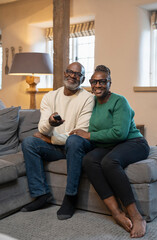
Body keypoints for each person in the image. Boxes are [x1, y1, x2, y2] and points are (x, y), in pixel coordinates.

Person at [70, 65, 150, 238]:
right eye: (94, 81)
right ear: (90, 83)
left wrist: (89, 135)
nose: (98, 85)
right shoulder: (92, 103)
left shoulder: (119, 101)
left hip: (133, 142)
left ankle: (137, 216)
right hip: (110, 145)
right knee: (89, 160)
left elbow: (119, 133)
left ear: (109, 83)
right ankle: (116, 213)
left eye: (102, 81)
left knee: (109, 162)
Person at [21, 62, 94, 220]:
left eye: (77, 74)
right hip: (56, 147)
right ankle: (41, 195)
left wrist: (49, 139)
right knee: (28, 143)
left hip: (74, 147)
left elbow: (80, 133)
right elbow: (42, 128)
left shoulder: (88, 99)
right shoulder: (50, 97)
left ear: (82, 79)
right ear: (64, 73)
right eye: (70, 72)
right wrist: (50, 123)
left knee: (74, 141)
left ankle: (70, 197)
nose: (72, 76)